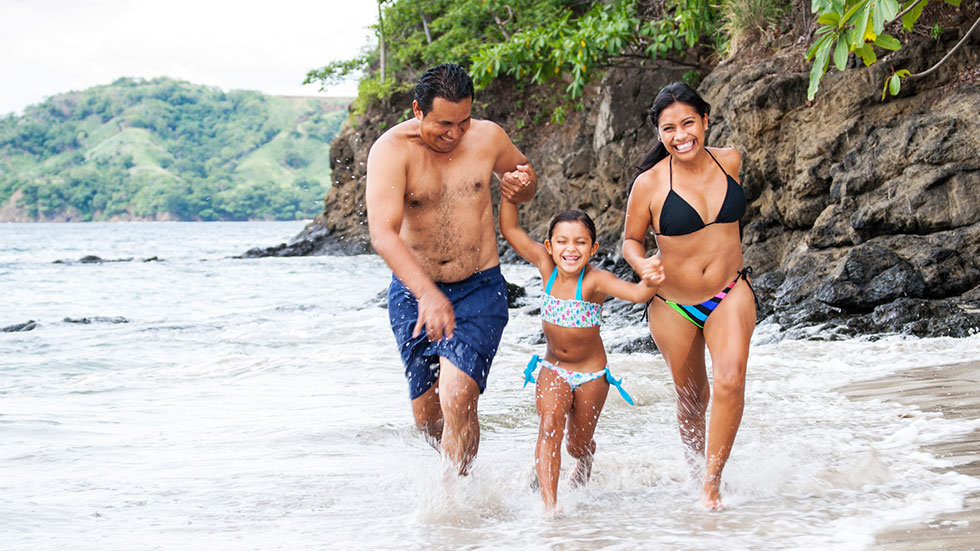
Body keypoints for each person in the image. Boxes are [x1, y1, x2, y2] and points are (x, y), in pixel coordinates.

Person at [365, 63, 537, 475]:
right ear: (417, 110)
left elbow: (525, 178)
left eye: (463, 122)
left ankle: (456, 502)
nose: (455, 134)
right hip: (413, 293)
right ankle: (460, 474)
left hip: (479, 287)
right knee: (429, 417)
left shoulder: (488, 137)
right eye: (443, 124)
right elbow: (382, 235)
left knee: (458, 396)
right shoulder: (391, 151)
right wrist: (427, 294)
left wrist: (522, 187)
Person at [622, 82, 755, 510]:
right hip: (673, 306)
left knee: (731, 380)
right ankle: (696, 469)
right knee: (692, 400)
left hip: (730, 291)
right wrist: (642, 265)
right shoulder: (649, 184)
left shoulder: (730, 161)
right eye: (669, 129)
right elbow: (630, 240)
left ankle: (711, 485)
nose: (680, 135)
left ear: (705, 120)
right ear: (659, 134)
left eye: (688, 123)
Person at [499, 199, 664, 517]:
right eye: (562, 241)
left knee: (576, 444)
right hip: (553, 368)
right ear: (549, 245)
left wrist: (652, 276)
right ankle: (551, 504)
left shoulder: (595, 281)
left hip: (591, 375)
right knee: (549, 426)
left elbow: (638, 294)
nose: (570, 249)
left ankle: (585, 459)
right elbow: (510, 229)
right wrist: (509, 195)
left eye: (580, 242)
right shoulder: (546, 267)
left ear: (593, 248)